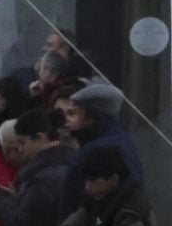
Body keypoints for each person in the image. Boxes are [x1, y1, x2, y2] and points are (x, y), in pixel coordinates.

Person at [52, 144, 162, 226]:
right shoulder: (100, 196)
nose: (87, 186)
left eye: (93, 180)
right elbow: (84, 214)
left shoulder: (131, 205)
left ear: (113, 179)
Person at [0, 109, 75, 226]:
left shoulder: (42, 180)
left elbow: (24, 223)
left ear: (40, 138)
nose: (20, 149)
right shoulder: (73, 163)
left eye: (23, 142)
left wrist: (1, 198)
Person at [58, 81, 144, 214]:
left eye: (77, 111)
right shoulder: (119, 139)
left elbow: (76, 198)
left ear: (88, 113)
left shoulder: (97, 149)